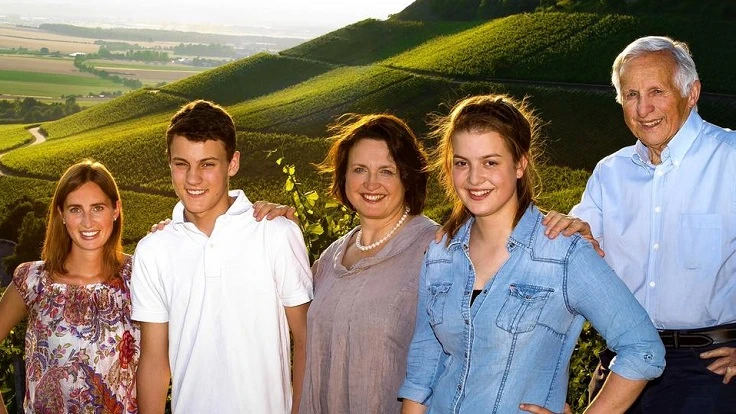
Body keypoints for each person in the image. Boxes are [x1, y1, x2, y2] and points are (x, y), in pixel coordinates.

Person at [398, 94, 665, 414]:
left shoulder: (563, 253)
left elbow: (643, 349)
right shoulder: (441, 254)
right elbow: (423, 371)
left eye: (490, 162)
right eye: (461, 163)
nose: (473, 178)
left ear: (520, 164)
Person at [543, 36, 736, 412]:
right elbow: (576, 251)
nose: (643, 109)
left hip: (707, 370)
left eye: (656, 92)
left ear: (691, 93)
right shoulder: (609, 173)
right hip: (623, 363)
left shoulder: (730, 160)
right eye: (631, 95)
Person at [130, 100, 312, 413]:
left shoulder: (276, 234)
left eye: (207, 164)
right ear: (169, 164)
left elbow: (308, 339)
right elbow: (154, 361)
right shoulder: (152, 250)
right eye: (182, 164)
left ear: (233, 164)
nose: (193, 178)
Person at [297, 113, 438, 413]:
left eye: (386, 171)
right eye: (359, 169)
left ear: (407, 176)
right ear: (344, 177)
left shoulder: (434, 249)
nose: (371, 183)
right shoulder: (329, 259)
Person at [0, 160, 138, 413]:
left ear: (115, 210)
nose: (87, 222)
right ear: (61, 214)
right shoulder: (33, 279)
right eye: (75, 209)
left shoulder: (140, 276)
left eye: (98, 208)